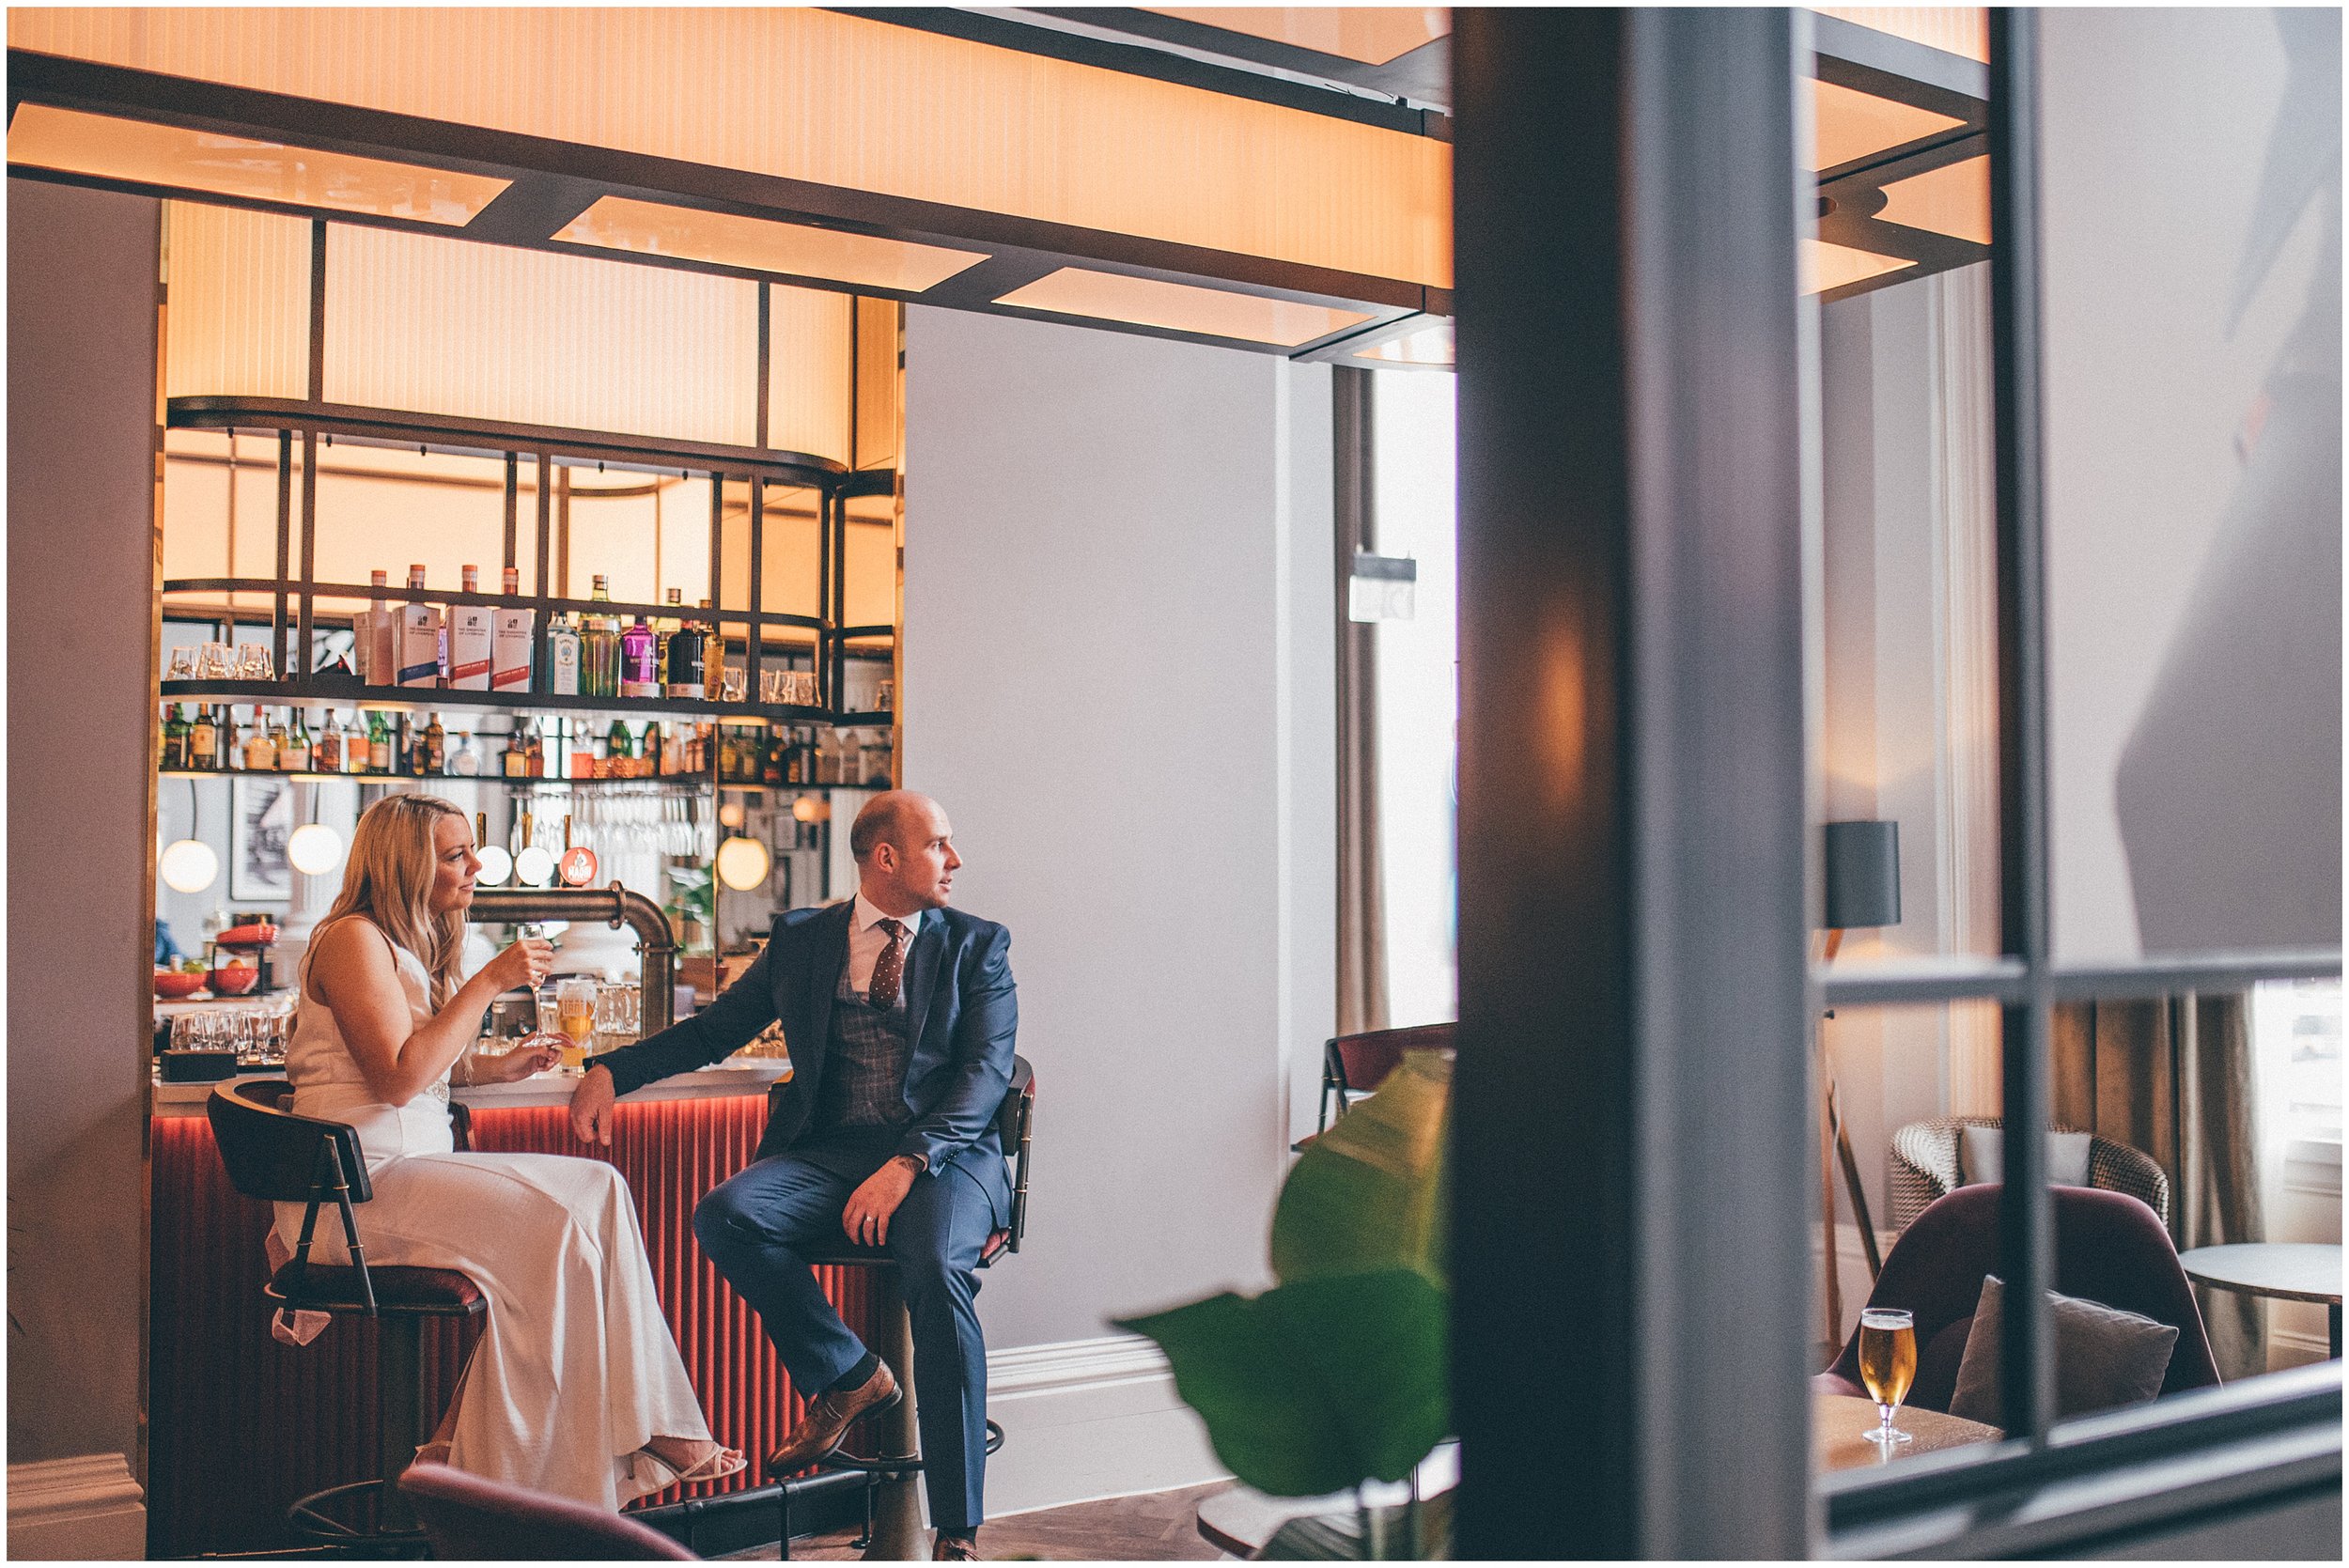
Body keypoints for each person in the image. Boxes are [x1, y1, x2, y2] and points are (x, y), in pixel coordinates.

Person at [570, 791, 1015, 1561]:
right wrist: (614, 1068)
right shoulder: (804, 939)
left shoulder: (979, 945)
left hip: (946, 1159)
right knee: (727, 1212)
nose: (955, 859)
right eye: (939, 843)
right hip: (833, 1156)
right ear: (886, 858)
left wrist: (908, 1162)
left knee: (937, 1269)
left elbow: (985, 1074)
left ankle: (957, 1530)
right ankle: (848, 1371)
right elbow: (716, 1030)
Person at [280, 792, 743, 1509]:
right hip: (355, 1192)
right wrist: (488, 980)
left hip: (404, 1173)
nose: (476, 865)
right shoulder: (351, 939)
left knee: (600, 1188)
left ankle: (634, 1426)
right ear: (406, 863)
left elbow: (418, 1062)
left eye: (474, 849)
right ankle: (479, 1482)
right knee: (557, 1232)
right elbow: (397, 1077)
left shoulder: (399, 944)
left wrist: (497, 1067)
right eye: (456, 852)